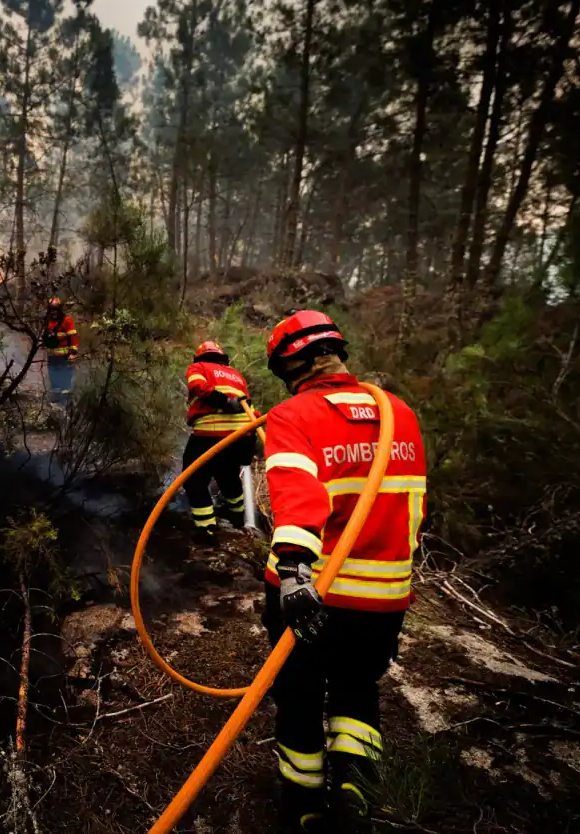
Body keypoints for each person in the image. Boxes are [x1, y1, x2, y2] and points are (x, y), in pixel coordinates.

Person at [260, 309, 427, 834]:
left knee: (299, 692)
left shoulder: (293, 415)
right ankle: (356, 792)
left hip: (312, 591)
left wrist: (292, 570)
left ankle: (302, 805)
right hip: (384, 599)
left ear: (291, 365)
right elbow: (410, 508)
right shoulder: (400, 413)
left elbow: (296, 495)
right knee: (358, 687)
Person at [183, 340, 255, 544]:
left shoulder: (198, 367)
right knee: (228, 477)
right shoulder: (236, 375)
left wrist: (223, 402)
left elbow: (197, 386)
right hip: (241, 435)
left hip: (211, 433)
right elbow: (249, 406)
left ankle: (206, 530)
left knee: (193, 480)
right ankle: (238, 518)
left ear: (200, 357)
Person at [42, 297, 78, 406]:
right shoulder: (47, 321)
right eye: (51, 309)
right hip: (52, 357)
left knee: (65, 380)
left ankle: (65, 404)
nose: (53, 312)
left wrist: (72, 353)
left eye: (56, 309)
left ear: (60, 310)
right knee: (54, 380)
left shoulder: (67, 320)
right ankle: (55, 404)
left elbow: (73, 337)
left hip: (64, 357)